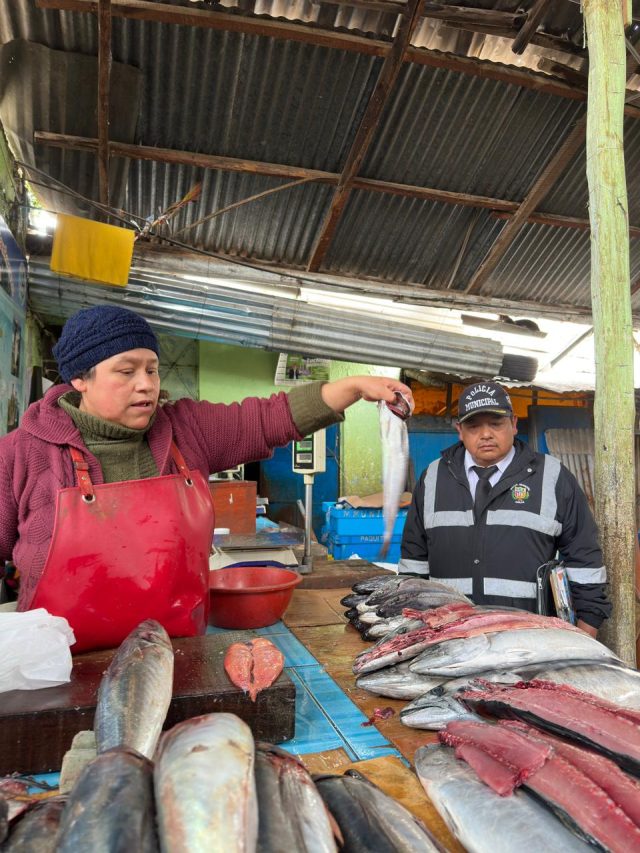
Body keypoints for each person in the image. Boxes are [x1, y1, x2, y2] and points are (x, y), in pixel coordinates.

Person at [0, 304, 413, 652]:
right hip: (54, 665)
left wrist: (354, 386)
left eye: (152, 370)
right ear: (79, 379)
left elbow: (269, 418)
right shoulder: (23, 452)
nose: (146, 385)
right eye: (126, 372)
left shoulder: (186, 430)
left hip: (174, 654)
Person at [399, 380, 610, 637]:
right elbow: (413, 562)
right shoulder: (433, 477)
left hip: (528, 637)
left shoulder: (552, 477)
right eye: (474, 426)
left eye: (496, 424)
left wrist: (585, 633)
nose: (485, 434)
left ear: (514, 423)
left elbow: (584, 559)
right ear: (459, 430)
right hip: (448, 637)